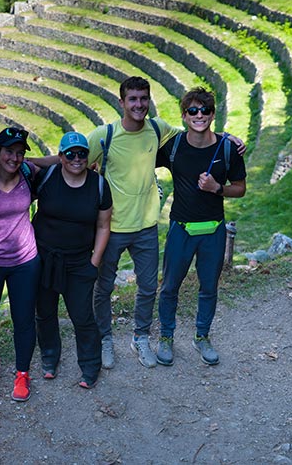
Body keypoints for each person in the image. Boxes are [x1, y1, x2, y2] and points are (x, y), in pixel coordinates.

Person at [85, 76, 180, 370]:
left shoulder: (157, 128)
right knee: (103, 288)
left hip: (146, 225)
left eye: (143, 98)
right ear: (121, 102)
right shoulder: (105, 135)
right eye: (133, 99)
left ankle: (140, 337)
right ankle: (104, 339)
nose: (139, 104)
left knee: (149, 287)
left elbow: (194, 135)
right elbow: (72, 161)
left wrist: (228, 138)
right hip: (111, 227)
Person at [155, 87, 247, 366]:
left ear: (213, 114)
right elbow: (142, 158)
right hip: (181, 228)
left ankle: (202, 336)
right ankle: (166, 338)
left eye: (204, 110)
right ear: (184, 116)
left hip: (213, 230)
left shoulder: (228, 148)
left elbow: (240, 189)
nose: (199, 115)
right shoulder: (173, 147)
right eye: (193, 111)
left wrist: (217, 188)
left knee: (209, 287)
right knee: (170, 286)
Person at [33, 131, 112, 389]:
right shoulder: (46, 177)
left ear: (88, 157)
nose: (76, 158)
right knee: (45, 312)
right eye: (70, 154)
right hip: (44, 257)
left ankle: (90, 365)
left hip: (79, 261)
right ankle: (49, 356)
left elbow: (103, 226)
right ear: (60, 157)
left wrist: (94, 262)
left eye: (81, 153)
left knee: (82, 316)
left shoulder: (99, 185)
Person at [0, 127, 41, 402]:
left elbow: (50, 163)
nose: (14, 158)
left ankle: (22, 373)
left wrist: (66, 158)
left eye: (19, 152)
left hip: (24, 259)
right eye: (9, 152)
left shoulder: (28, 173)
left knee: (23, 318)